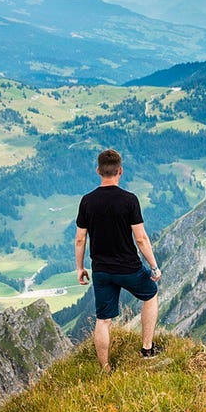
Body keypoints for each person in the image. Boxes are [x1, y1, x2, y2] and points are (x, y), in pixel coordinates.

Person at [75, 149, 162, 372]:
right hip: (128, 268)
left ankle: (105, 368)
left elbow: (80, 239)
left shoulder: (87, 201)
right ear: (120, 171)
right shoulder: (129, 200)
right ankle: (147, 349)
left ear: (98, 171)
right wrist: (154, 266)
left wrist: (80, 268)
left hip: (101, 270)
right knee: (150, 295)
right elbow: (141, 239)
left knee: (103, 320)